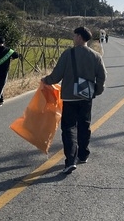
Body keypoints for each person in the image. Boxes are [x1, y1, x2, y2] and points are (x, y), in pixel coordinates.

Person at [42, 27, 107, 174]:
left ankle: (71, 160)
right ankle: (83, 154)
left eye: (74, 35)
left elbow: (56, 75)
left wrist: (46, 80)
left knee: (69, 128)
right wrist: (96, 91)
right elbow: (102, 77)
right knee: (84, 125)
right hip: (86, 96)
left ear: (79, 37)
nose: (73, 38)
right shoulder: (96, 56)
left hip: (69, 97)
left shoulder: (68, 54)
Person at [0, 35, 20, 107]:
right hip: (4, 71)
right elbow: (16, 55)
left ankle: (1, 100)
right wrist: (11, 58)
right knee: (1, 86)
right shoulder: (8, 50)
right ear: (3, 42)